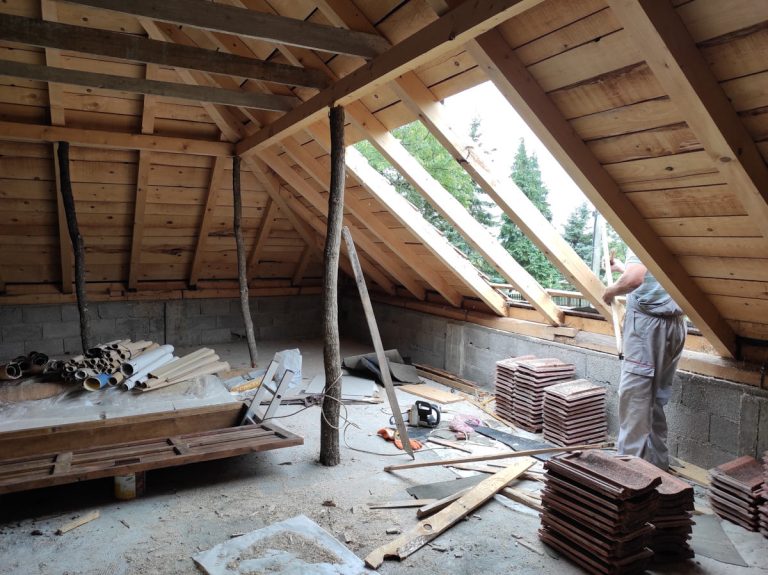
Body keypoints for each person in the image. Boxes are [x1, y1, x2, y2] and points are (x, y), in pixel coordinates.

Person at [602, 249, 686, 470]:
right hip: (675, 324)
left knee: (635, 402)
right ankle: (657, 469)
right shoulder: (675, 228)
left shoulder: (639, 227)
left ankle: (630, 476)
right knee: (655, 400)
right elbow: (653, 272)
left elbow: (634, 279)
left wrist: (610, 291)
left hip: (648, 327)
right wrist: (621, 266)